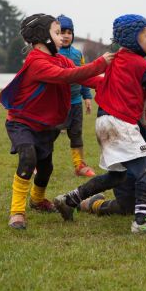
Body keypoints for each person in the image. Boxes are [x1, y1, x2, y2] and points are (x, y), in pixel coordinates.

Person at [54, 14, 146, 234]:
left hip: (104, 122)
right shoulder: (141, 65)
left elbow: (100, 81)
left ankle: (69, 199)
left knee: (117, 176)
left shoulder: (116, 59)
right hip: (120, 123)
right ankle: (142, 222)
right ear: (132, 39)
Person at [0, 13, 113, 230]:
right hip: (21, 122)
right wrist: (101, 64)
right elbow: (65, 76)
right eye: (57, 32)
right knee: (28, 158)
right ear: (44, 36)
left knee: (46, 167)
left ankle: (37, 200)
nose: (62, 37)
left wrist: (110, 82)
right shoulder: (36, 62)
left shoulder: (61, 59)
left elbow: (82, 77)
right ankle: (17, 212)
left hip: (45, 124)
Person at [56, 14, 96, 177]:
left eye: (69, 32)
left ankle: (79, 165)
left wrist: (86, 96)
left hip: (75, 103)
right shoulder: (52, 54)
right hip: (56, 104)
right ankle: (39, 163)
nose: (66, 35)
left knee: (76, 134)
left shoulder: (78, 54)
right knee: (48, 136)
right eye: (61, 32)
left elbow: (84, 75)